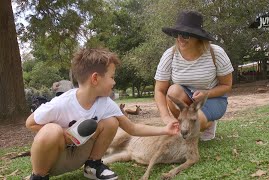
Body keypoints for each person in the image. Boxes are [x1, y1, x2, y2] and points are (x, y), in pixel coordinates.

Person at [26, 48, 179, 180]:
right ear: (95, 79)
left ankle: (92, 166)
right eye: (112, 77)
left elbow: (132, 128)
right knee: (51, 130)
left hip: (79, 156)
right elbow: (30, 122)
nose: (114, 82)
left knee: (111, 121)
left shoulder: (105, 103)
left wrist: (165, 130)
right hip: (54, 161)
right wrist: (63, 133)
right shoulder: (61, 103)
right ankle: (38, 176)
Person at [154, 10, 234, 141]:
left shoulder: (216, 53)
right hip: (185, 96)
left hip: (212, 98)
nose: (180, 39)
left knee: (196, 123)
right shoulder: (170, 54)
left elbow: (227, 85)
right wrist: (166, 117)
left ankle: (208, 124)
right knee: (172, 91)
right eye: (177, 34)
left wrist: (206, 93)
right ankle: (183, 125)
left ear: (198, 37)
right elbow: (159, 90)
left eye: (185, 35)